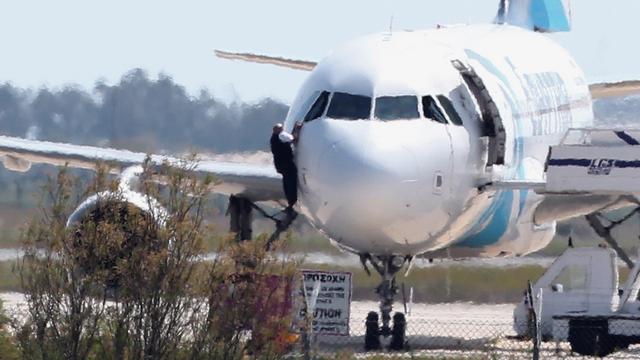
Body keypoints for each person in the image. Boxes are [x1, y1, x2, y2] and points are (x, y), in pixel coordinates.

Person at [270, 122, 302, 211]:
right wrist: (297, 129)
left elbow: (289, 139)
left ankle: (291, 202)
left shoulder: (274, 138)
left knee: (286, 182)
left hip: (281, 165)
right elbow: (294, 139)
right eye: (281, 129)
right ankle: (292, 201)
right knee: (291, 182)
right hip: (287, 165)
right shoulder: (280, 137)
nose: (282, 130)